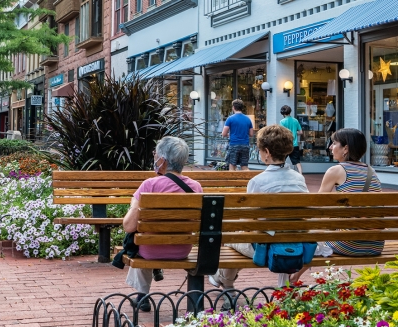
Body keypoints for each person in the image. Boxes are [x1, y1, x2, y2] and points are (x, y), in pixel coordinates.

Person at [209, 125, 309, 294]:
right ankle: (282, 289)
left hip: (263, 248)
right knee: (248, 235)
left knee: (234, 236)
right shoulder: (299, 179)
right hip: (293, 243)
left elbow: (249, 220)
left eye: (260, 149)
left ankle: (224, 281)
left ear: (267, 152)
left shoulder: (258, 181)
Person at [289, 128, 382, 283]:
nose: (330, 147)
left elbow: (317, 208)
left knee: (317, 232)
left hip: (350, 244)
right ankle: (295, 277)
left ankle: (293, 277)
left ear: (345, 148)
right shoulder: (372, 172)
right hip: (375, 244)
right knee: (325, 229)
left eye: (334, 143)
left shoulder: (335, 170)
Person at [123, 136, 203, 311]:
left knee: (137, 240)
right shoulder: (196, 187)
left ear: (162, 160)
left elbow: (128, 226)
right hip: (182, 249)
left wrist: (134, 204)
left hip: (150, 250)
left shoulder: (149, 185)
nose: (154, 158)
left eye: (156, 155)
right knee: (144, 238)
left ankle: (142, 295)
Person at [222, 99, 254, 171]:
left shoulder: (230, 119)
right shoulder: (248, 119)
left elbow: (223, 133)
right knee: (244, 167)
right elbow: (251, 134)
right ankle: (247, 181)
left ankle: (233, 182)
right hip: (245, 145)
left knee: (232, 166)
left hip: (234, 144)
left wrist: (229, 135)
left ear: (233, 107)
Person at [279, 105, 303, 174]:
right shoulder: (295, 121)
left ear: (283, 113)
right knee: (297, 162)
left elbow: (282, 134)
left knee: (281, 160)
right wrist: (294, 132)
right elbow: (301, 132)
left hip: (286, 145)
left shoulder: (282, 121)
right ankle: (301, 175)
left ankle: (281, 174)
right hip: (294, 144)